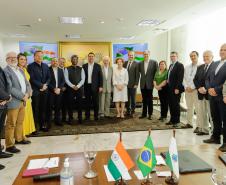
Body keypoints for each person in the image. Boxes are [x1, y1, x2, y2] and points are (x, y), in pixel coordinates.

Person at [4, 52, 31, 154]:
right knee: (11, 124)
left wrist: (28, 93)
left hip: (23, 101)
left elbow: (27, 83)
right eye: (10, 58)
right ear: (6, 60)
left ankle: (19, 139)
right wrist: (22, 96)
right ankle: (9, 145)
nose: (13, 59)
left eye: (14, 57)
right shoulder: (6, 71)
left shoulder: (20, 69)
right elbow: (9, 87)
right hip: (14, 101)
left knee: (20, 122)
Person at [204, 43, 226, 152]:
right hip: (212, 96)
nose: (222, 51)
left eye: (224, 50)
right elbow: (207, 78)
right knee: (214, 118)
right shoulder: (215, 63)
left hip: (222, 96)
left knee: (224, 120)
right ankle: (215, 137)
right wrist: (209, 89)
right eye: (221, 49)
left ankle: (225, 143)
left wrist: (216, 89)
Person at [27, 50, 51, 132]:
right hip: (36, 91)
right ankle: (34, 127)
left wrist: (45, 85)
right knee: (35, 109)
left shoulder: (45, 66)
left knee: (43, 108)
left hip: (45, 91)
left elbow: (49, 77)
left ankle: (42, 125)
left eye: (41, 56)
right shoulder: (30, 66)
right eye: (38, 55)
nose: (40, 57)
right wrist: (41, 86)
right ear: (34, 57)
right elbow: (32, 79)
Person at [193, 50, 214, 136]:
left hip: (210, 94)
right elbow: (195, 79)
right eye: (204, 56)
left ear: (212, 57)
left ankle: (214, 131)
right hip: (201, 94)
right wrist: (198, 88)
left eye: (207, 56)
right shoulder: (200, 67)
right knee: (202, 113)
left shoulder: (215, 66)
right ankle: (204, 130)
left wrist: (206, 88)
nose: (205, 58)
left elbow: (214, 80)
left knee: (212, 114)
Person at [17, 53, 36, 136]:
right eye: (21, 59)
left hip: (28, 95)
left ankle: (28, 131)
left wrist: (30, 91)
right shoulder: (17, 70)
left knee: (28, 113)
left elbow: (27, 82)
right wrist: (25, 94)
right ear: (17, 60)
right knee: (22, 116)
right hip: (22, 96)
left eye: (24, 59)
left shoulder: (25, 69)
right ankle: (22, 133)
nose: (23, 61)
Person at [64, 55, 85, 124]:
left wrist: (78, 86)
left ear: (77, 60)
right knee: (70, 104)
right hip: (70, 89)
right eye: (73, 59)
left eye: (76, 59)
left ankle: (80, 118)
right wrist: (73, 86)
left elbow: (83, 79)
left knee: (80, 104)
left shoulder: (81, 68)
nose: (75, 60)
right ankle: (70, 118)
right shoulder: (67, 69)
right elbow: (66, 79)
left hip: (79, 89)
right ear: (71, 60)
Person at [83, 52, 103, 121]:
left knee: (95, 102)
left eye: (92, 56)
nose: (91, 57)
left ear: (94, 58)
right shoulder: (84, 66)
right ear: (88, 57)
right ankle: (87, 116)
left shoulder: (98, 66)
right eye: (89, 56)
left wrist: (101, 86)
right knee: (87, 102)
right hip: (86, 86)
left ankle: (96, 116)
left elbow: (100, 77)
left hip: (95, 86)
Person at [166, 51, 184, 126]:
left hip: (176, 89)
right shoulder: (170, 65)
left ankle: (177, 121)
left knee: (176, 105)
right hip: (170, 88)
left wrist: (177, 88)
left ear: (177, 57)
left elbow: (180, 78)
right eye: (171, 56)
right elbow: (170, 76)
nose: (172, 57)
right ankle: (172, 120)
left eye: (174, 56)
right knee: (171, 105)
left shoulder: (180, 65)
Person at [0, 64, 13, 170]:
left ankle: (0, 151)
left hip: (3, 103)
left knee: (0, 129)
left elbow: (5, 84)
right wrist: (7, 96)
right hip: (2, 99)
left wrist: (6, 98)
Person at [182, 51, 199, 129]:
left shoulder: (201, 66)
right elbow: (184, 78)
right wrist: (186, 87)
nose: (192, 57)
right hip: (187, 90)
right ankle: (189, 123)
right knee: (189, 107)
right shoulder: (187, 67)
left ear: (197, 56)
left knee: (198, 108)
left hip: (195, 90)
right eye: (191, 56)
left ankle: (199, 126)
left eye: (194, 56)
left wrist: (192, 87)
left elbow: (199, 79)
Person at [139, 50, 158, 120]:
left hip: (150, 84)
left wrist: (155, 82)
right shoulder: (140, 63)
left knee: (150, 99)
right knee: (144, 99)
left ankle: (150, 114)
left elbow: (156, 73)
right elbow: (140, 73)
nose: (145, 55)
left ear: (149, 54)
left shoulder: (154, 62)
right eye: (144, 54)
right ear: (143, 55)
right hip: (142, 84)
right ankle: (144, 114)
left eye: (147, 54)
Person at [46, 58, 65, 127]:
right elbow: (47, 81)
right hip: (51, 92)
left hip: (59, 91)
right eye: (53, 61)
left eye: (56, 61)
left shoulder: (60, 70)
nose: (55, 62)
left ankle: (57, 121)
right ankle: (49, 122)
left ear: (58, 62)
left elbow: (63, 80)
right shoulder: (48, 70)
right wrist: (54, 89)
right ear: (51, 62)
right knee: (49, 107)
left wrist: (59, 88)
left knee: (58, 107)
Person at [123, 51, 139, 116]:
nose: (131, 56)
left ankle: (133, 111)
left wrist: (136, 84)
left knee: (133, 99)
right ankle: (128, 110)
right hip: (125, 84)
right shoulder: (125, 63)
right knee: (127, 98)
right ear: (128, 56)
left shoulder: (136, 64)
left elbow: (137, 75)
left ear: (134, 56)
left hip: (133, 84)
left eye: (132, 55)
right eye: (129, 55)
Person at [58, 57, 68, 122]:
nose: (62, 63)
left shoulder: (66, 69)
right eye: (61, 62)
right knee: (58, 105)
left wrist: (65, 87)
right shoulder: (56, 69)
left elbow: (69, 79)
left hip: (67, 90)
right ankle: (58, 119)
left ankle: (64, 118)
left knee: (65, 105)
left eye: (63, 62)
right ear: (59, 62)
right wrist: (61, 87)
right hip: (58, 90)